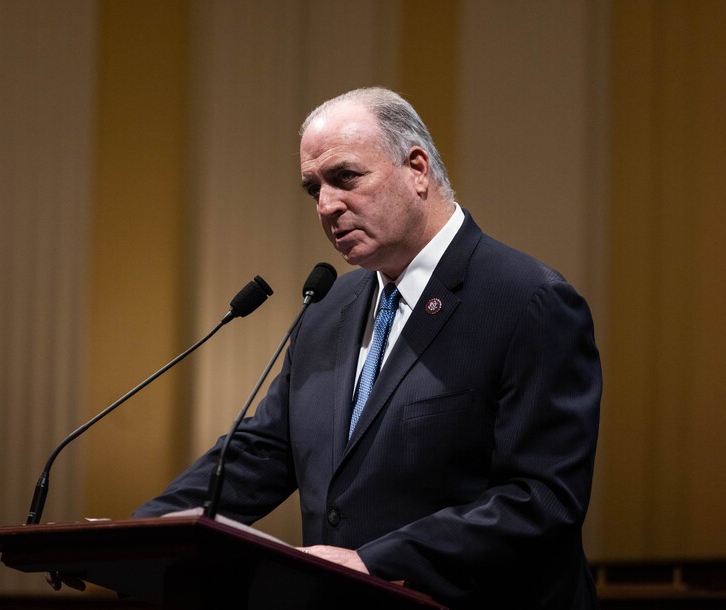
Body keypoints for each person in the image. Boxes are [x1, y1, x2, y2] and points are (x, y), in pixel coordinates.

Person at [133, 87, 602, 609]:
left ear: (417, 168)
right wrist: (140, 534)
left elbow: (541, 498)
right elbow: (263, 451)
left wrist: (375, 563)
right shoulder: (326, 310)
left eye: (345, 178)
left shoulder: (528, 301)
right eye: (314, 189)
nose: (327, 205)